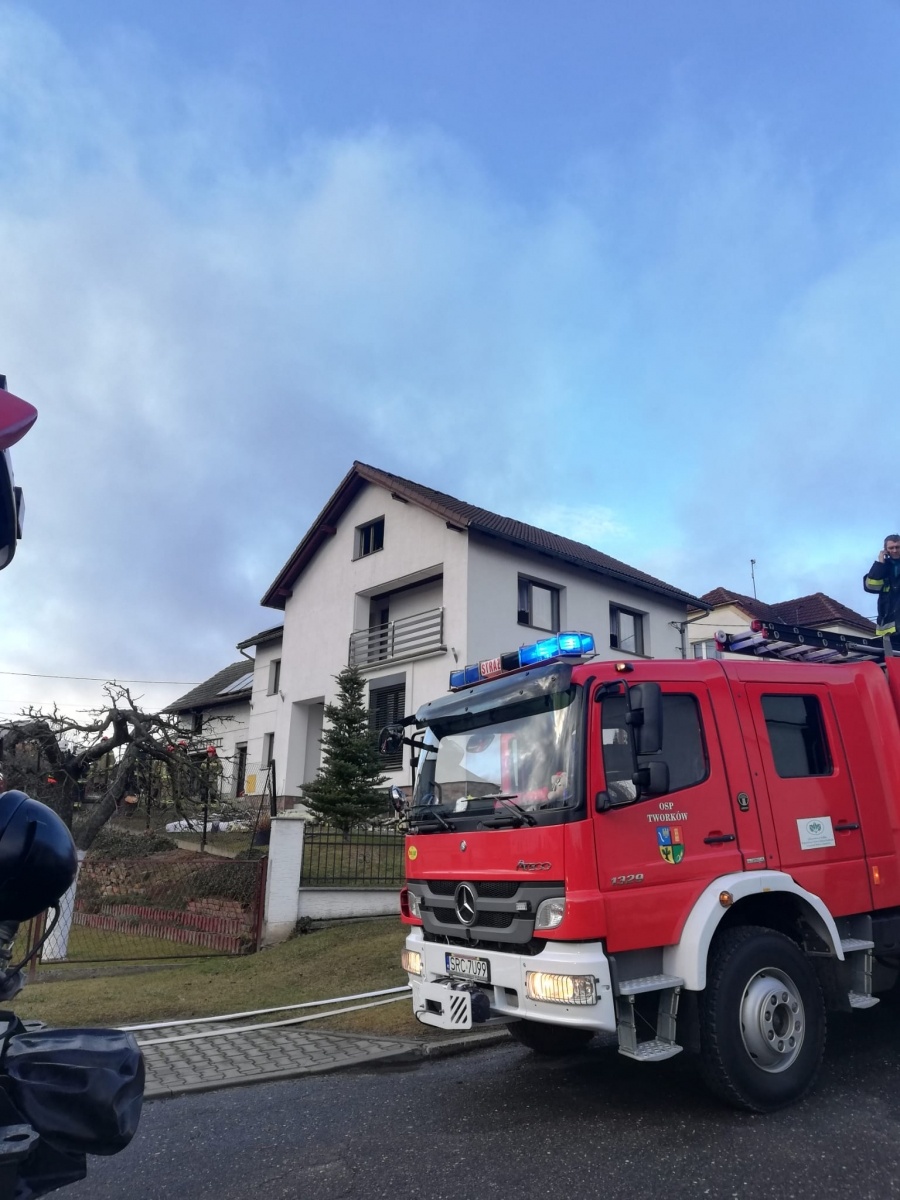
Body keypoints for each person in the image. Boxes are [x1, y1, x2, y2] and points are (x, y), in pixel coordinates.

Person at [864, 534, 900, 637]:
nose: (894, 550)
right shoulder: (881, 568)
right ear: (885, 550)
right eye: (891, 548)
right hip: (888, 628)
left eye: (897, 547)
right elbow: (870, 586)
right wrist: (880, 564)